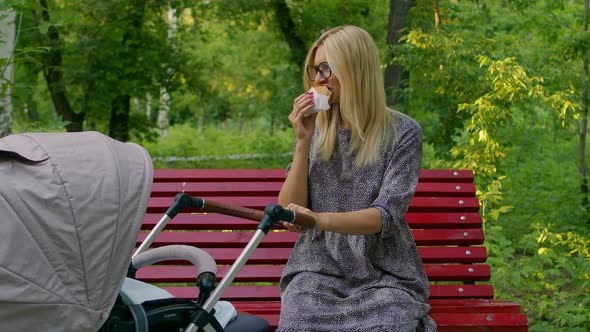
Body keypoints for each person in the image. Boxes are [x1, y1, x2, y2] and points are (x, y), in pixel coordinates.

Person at [277, 25, 437, 332]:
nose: (319, 79)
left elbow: (385, 216)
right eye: (315, 70)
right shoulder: (317, 130)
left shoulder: (403, 132)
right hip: (317, 269)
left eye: (326, 68)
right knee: (299, 319)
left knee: (388, 323)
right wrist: (302, 142)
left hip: (385, 273)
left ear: (355, 68)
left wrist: (320, 220)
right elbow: (289, 209)